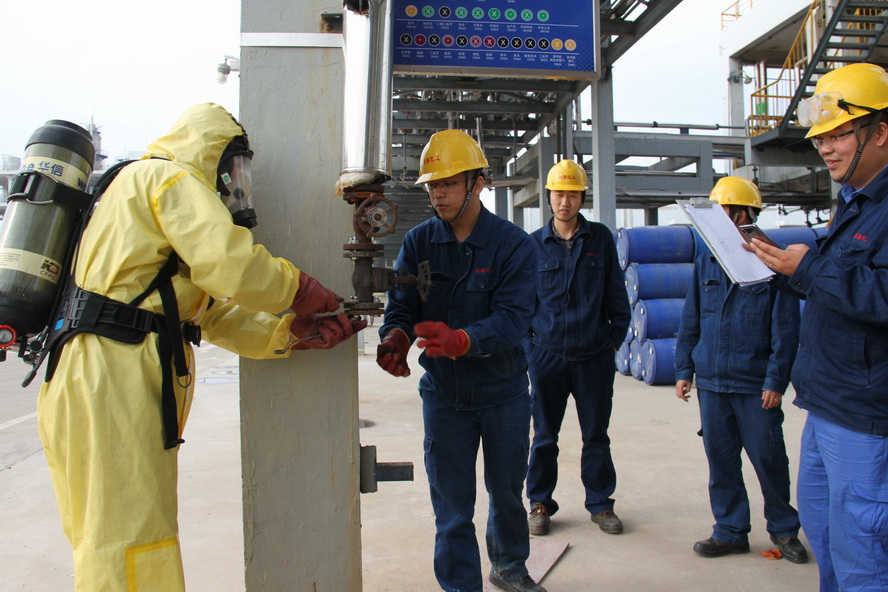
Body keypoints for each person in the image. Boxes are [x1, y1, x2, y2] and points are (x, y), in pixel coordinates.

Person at [36, 103, 366, 592]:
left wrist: (288, 334)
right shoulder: (167, 179)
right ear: (212, 154)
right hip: (114, 378)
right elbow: (229, 264)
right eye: (234, 168)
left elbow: (207, 315)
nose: (236, 184)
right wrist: (300, 289)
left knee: (102, 535)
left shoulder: (130, 197)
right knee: (132, 540)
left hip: (85, 372)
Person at [376, 129, 543, 592]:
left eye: (449, 183)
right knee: (451, 506)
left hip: (503, 393)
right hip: (444, 396)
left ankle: (509, 567)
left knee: (507, 493)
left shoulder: (514, 245)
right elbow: (402, 307)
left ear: (478, 183)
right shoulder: (418, 243)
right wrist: (395, 338)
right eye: (433, 184)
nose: (438, 193)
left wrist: (462, 340)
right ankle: (459, 586)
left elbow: (515, 318)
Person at [747, 63, 888, 592]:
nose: (825, 149)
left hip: (866, 419)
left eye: (837, 135)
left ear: (880, 131)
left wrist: (806, 270)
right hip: (827, 405)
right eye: (820, 139)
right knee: (829, 542)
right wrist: (781, 270)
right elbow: (838, 287)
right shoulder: (854, 204)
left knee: (864, 556)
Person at [673, 176, 807, 563]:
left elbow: (786, 329)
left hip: (754, 384)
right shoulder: (707, 262)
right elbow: (691, 319)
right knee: (721, 461)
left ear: (743, 216)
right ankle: (730, 531)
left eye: (723, 213)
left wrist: (776, 380)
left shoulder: (772, 263)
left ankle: (784, 530)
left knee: (769, 460)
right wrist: (684, 369)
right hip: (712, 383)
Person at [524, 159, 631, 538]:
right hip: (547, 356)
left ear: (582, 198)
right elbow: (523, 305)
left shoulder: (599, 239)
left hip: (593, 357)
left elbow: (617, 298)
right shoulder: (533, 245)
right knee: (544, 437)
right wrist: (530, 352)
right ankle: (539, 503)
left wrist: (610, 343)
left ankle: (601, 504)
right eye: (558, 194)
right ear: (548, 197)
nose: (564, 202)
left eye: (571, 194)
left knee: (596, 435)